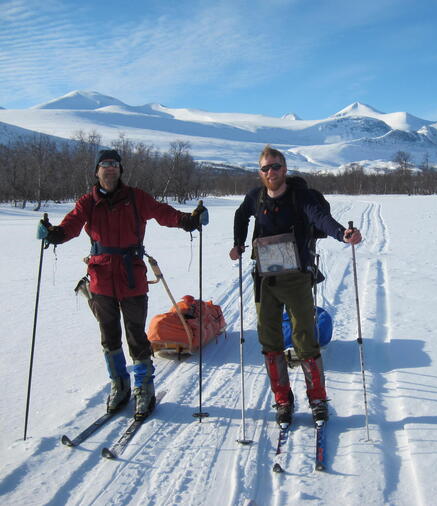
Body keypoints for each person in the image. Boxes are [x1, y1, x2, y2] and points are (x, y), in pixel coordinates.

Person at [37, 149, 207, 420]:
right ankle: (119, 384)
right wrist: (54, 234)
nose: (109, 169)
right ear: (96, 171)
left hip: (132, 277)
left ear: (120, 170)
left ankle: (143, 387)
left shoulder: (136, 198)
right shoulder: (88, 202)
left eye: (114, 164)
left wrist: (188, 220)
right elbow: (70, 225)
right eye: (104, 165)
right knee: (109, 335)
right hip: (101, 277)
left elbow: (163, 213)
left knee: (136, 335)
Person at [229, 145, 362, 426]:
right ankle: (282, 400)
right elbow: (241, 215)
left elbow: (319, 218)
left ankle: (317, 399)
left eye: (275, 166)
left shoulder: (300, 196)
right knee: (270, 341)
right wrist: (238, 243)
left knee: (305, 339)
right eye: (265, 168)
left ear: (285, 168)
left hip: (297, 277)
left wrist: (342, 233)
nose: (271, 172)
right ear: (260, 171)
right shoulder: (255, 196)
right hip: (265, 279)